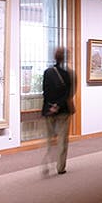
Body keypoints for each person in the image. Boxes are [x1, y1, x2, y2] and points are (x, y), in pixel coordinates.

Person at [41, 47, 74, 175]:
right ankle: (60, 167)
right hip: (63, 111)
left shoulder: (47, 72)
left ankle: (48, 162)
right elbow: (67, 94)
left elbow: (45, 91)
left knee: (49, 139)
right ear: (64, 58)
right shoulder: (67, 75)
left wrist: (51, 106)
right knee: (62, 140)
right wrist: (58, 105)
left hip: (48, 110)